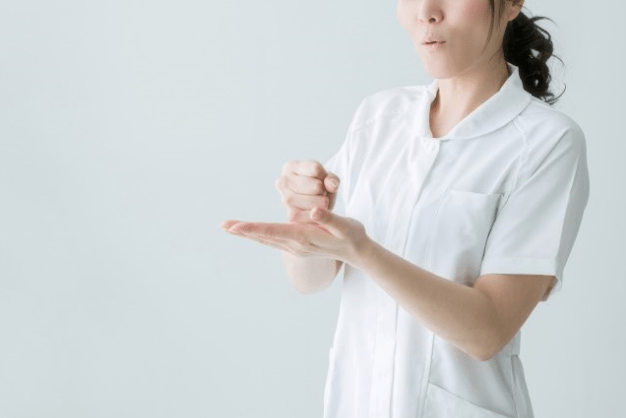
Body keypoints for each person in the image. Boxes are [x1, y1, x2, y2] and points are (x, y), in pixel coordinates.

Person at [221, 0, 590, 417]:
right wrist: (306, 215)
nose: (426, 11)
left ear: (510, 4)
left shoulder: (547, 143)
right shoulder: (379, 117)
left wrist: (364, 252)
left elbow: (488, 330)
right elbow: (311, 278)